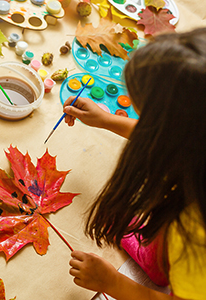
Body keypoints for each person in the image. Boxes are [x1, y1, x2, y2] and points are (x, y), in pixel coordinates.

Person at [63, 28, 206, 300]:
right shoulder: (194, 141)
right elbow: (170, 135)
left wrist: (113, 282)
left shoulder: (193, 234)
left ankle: (164, 266)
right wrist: (107, 119)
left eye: (145, 115)